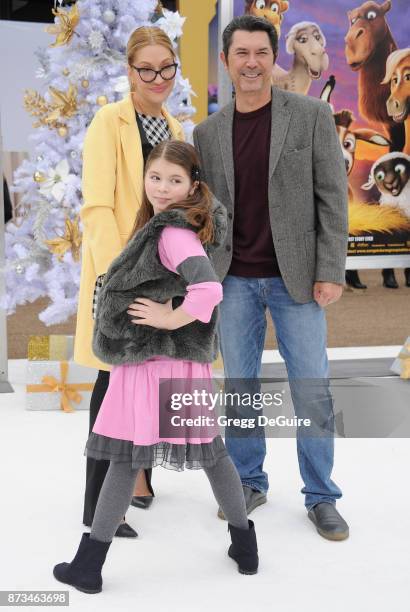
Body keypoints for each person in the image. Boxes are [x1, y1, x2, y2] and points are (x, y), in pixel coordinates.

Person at [53, 141, 259, 594]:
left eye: (175, 180)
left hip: (153, 363)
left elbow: (208, 290)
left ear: (193, 185)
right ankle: (245, 546)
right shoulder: (165, 227)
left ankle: (89, 564)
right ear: (144, 178)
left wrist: (168, 317)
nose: (162, 188)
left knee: (131, 458)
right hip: (166, 364)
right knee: (206, 453)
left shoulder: (173, 233)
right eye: (155, 177)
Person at [193, 15, 350, 541]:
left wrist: (330, 270)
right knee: (240, 388)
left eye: (261, 52)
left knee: (312, 390)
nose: (253, 63)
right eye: (242, 54)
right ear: (228, 60)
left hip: (298, 280)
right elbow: (207, 212)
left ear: (271, 57)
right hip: (233, 281)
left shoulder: (310, 116)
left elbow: (332, 198)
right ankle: (248, 481)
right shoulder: (206, 133)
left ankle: (322, 495)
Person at [74, 26, 186, 538]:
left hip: (162, 278)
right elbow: (96, 205)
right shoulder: (108, 122)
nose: (158, 77)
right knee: (112, 385)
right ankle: (98, 506)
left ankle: (138, 478)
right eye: (147, 68)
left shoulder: (177, 129)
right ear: (130, 70)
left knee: (150, 378)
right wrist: (117, 274)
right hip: (118, 274)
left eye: (167, 67)